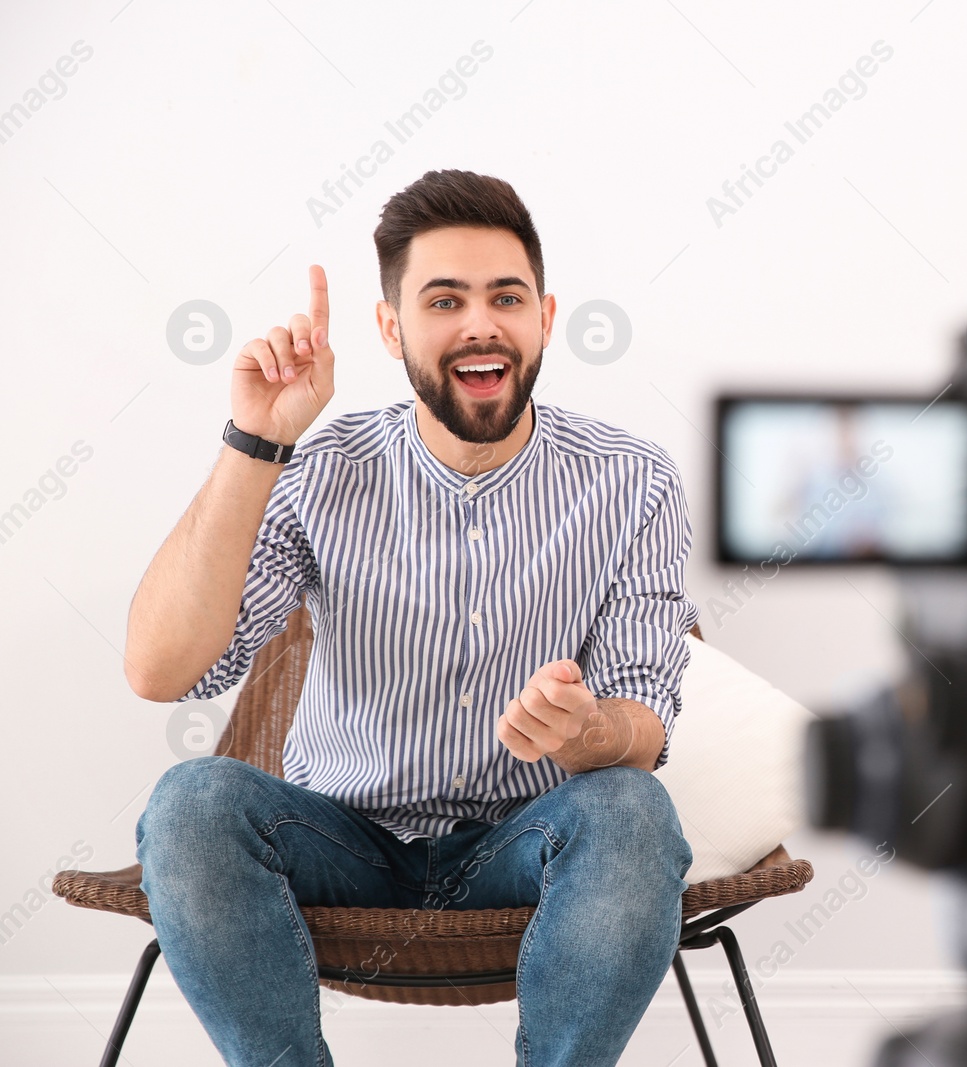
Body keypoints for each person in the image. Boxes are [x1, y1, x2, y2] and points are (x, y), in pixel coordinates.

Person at [123, 169, 699, 1067]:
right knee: (191, 802)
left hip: (528, 841)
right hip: (338, 839)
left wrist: (586, 731)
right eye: (444, 300)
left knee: (632, 807)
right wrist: (258, 440)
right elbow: (160, 670)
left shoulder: (632, 482)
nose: (481, 323)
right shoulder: (319, 471)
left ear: (544, 317)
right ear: (390, 327)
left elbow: (640, 726)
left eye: (506, 297)